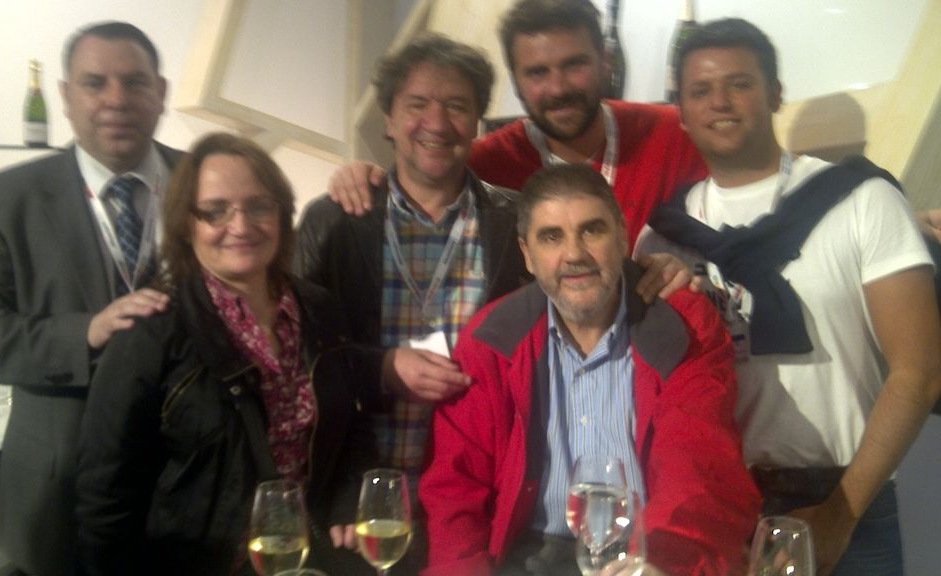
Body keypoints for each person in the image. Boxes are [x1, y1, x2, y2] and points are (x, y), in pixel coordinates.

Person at [637, 18, 941, 576]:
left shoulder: (861, 201)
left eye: (740, 83)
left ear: (775, 93)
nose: (719, 102)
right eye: (699, 91)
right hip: (717, 503)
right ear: (680, 109)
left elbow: (919, 371)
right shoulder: (663, 236)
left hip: (848, 497)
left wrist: (839, 515)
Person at [420, 164, 760, 576]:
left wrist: (662, 564)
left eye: (591, 230)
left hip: (648, 549)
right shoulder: (491, 339)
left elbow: (701, 472)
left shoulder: (684, 325)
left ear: (622, 236)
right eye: (551, 237)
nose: (574, 254)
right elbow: (455, 490)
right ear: (527, 254)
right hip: (527, 555)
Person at [76, 133, 376, 576]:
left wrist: (349, 498)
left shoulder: (321, 309)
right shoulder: (151, 333)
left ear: (281, 212)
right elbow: (105, 495)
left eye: (258, 206)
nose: (241, 226)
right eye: (215, 210)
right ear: (186, 223)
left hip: (306, 556)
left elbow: (351, 426)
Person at [0, 21, 176, 576]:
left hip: (193, 480)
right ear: (66, 97)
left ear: (160, 93)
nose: (116, 99)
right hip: (59, 488)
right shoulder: (0, 200)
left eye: (134, 82)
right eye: (95, 83)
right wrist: (84, 333)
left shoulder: (209, 181)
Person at [294, 33, 531, 572]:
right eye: (417, 104)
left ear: (476, 121)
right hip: (360, 501)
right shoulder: (334, 222)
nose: (437, 122)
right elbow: (296, 357)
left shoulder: (517, 222)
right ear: (389, 120)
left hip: (481, 500)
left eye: (457, 106)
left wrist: (665, 269)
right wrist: (379, 367)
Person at [327, 0, 708, 252]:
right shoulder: (483, 163)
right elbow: (419, 184)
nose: (557, 88)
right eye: (537, 72)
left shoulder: (675, 133)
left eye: (574, 64)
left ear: (604, 61)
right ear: (515, 78)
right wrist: (365, 176)